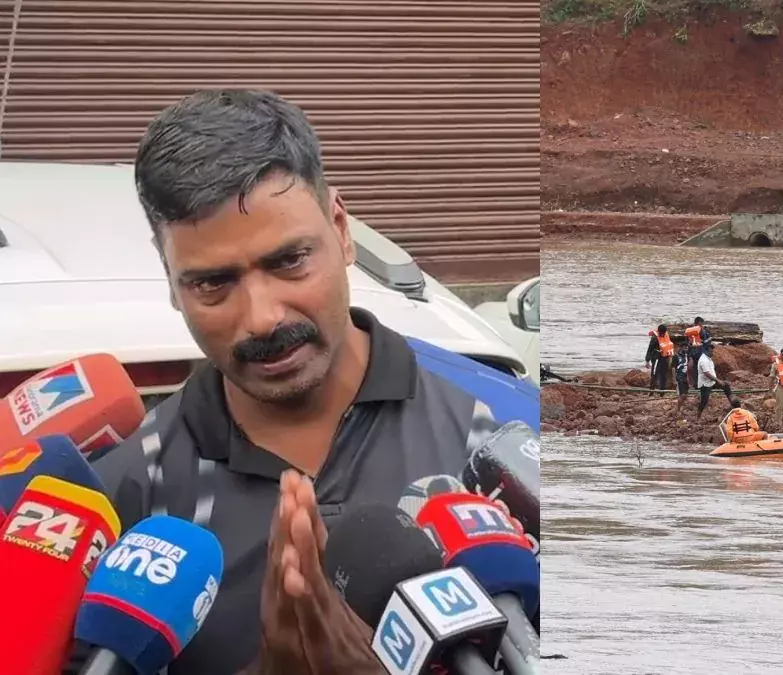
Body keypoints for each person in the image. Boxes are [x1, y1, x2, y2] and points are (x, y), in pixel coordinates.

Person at [71, 89, 536, 675]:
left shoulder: (504, 446)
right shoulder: (119, 501)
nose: (264, 317)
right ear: (170, 280)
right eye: (212, 284)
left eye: (289, 260)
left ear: (341, 229)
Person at [696, 342, 733, 417]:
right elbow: (707, 373)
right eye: (711, 350)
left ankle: (732, 404)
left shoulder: (708, 359)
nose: (712, 352)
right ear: (706, 351)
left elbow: (711, 372)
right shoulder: (703, 360)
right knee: (704, 401)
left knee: (726, 386)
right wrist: (718, 381)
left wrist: (719, 380)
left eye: (712, 350)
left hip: (712, 382)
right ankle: (698, 415)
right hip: (705, 383)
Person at [684, 316, 708, 388]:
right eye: (702, 323)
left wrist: (689, 354)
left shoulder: (689, 330)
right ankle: (700, 385)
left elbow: (686, 342)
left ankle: (693, 384)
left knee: (693, 368)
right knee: (700, 368)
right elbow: (705, 342)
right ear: (699, 323)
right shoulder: (702, 330)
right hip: (700, 351)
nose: (702, 325)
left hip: (691, 352)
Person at [651, 324, 675, 392]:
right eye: (662, 333)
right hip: (656, 359)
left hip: (665, 358)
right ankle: (652, 390)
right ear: (659, 332)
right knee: (654, 374)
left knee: (664, 375)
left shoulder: (666, 336)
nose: (663, 334)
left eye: (664, 333)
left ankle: (662, 390)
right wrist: (647, 360)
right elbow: (650, 349)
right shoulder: (654, 338)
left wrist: (670, 357)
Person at [673, 341, 691, 416]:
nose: (686, 348)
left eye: (687, 347)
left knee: (685, 395)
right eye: (685, 347)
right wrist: (674, 379)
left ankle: (681, 408)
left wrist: (688, 378)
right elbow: (673, 368)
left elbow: (687, 367)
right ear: (681, 348)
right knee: (682, 394)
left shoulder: (687, 356)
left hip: (685, 377)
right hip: (679, 377)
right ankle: (678, 409)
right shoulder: (676, 356)